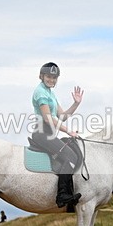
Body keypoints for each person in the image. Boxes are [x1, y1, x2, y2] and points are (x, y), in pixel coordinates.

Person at [31, 62, 84, 211]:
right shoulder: (41, 92)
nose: (51, 80)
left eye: (54, 78)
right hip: (42, 133)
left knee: (71, 154)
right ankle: (62, 195)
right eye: (48, 76)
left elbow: (62, 116)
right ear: (41, 76)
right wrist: (69, 132)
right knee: (71, 157)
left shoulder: (50, 93)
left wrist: (76, 104)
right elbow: (48, 118)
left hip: (49, 133)